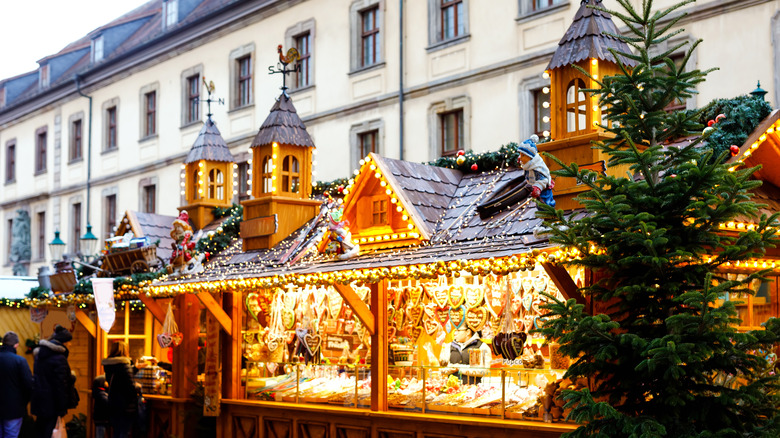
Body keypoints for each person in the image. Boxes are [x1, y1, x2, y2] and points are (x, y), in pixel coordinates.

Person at [31, 325, 76, 438]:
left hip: (40, 401)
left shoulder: (40, 356)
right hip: (53, 404)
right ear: (63, 342)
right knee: (50, 431)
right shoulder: (59, 358)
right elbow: (60, 384)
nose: (70, 345)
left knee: (40, 430)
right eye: (68, 342)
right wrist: (62, 408)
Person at [0, 331, 33, 438]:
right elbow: (28, 385)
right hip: (14, 408)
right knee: (11, 435)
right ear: (16, 345)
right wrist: (24, 402)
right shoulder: (20, 361)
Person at [102, 341, 137, 438]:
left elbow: (118, 380)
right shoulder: (125, 365)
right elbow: (130, 387)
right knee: (124, 432)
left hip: (113, 403)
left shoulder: (109, 365)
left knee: (117, 431)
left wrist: (134, 369)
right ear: (125, 351)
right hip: (125, 405)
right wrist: (137, 387)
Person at [517, 136, 556, 207]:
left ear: (530, 157)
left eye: (523, 155)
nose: (520, 158)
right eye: (520, 155)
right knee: (539, 205)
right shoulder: (527, 164)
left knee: (546, 203)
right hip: (534, 189)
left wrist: (537, 187)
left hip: (543, 189)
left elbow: (544, 180)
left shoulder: (537, 167)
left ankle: (549, 212)